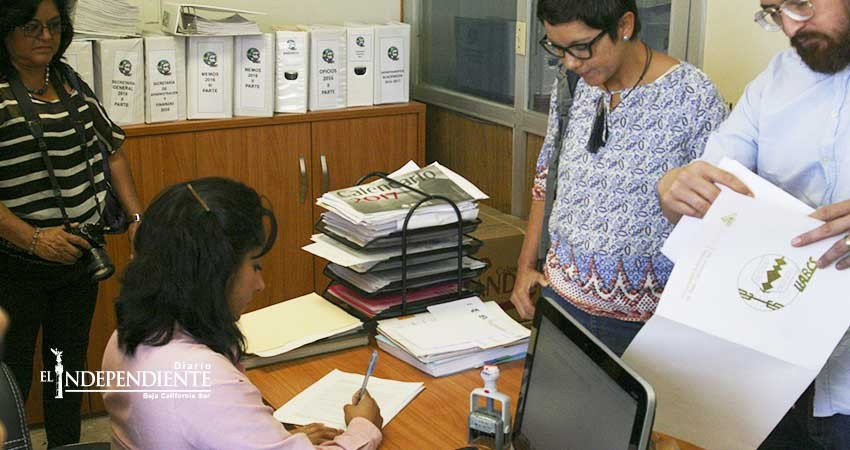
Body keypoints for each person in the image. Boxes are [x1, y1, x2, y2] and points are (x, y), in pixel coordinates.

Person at [657, 0, 850, 447]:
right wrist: (674, 188)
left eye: (800, 3)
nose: (789, 25)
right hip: (766, 365)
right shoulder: (775, 81)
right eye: (773, 10)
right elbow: (705, 193)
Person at [509, 0, 727, 355]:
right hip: (561, 297)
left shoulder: (693, 96)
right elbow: (547, 178)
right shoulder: (572, 83)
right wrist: (524, 266)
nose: (570, 62)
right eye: (558, 49)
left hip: (650, 323)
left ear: (624, 25)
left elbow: (721, 216)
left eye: (581, 48)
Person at [102, 177, 384, 450]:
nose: (260, 285)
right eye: (255, 266)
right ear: (216, 272)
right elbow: (206, 409)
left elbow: (204, 429)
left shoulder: (126, 336)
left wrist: (271, 437)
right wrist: (363, 427)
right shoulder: (202, 381)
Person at [0, 0, 143, 446]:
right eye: (32, 26)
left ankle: (66, 443)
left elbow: (114, 148)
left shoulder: (68, 82)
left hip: (80, 253)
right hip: (16, 259)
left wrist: (138, 216)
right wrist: (34, 239)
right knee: (13, 368)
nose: (46, 35)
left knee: (68, 365)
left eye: (55, 26)